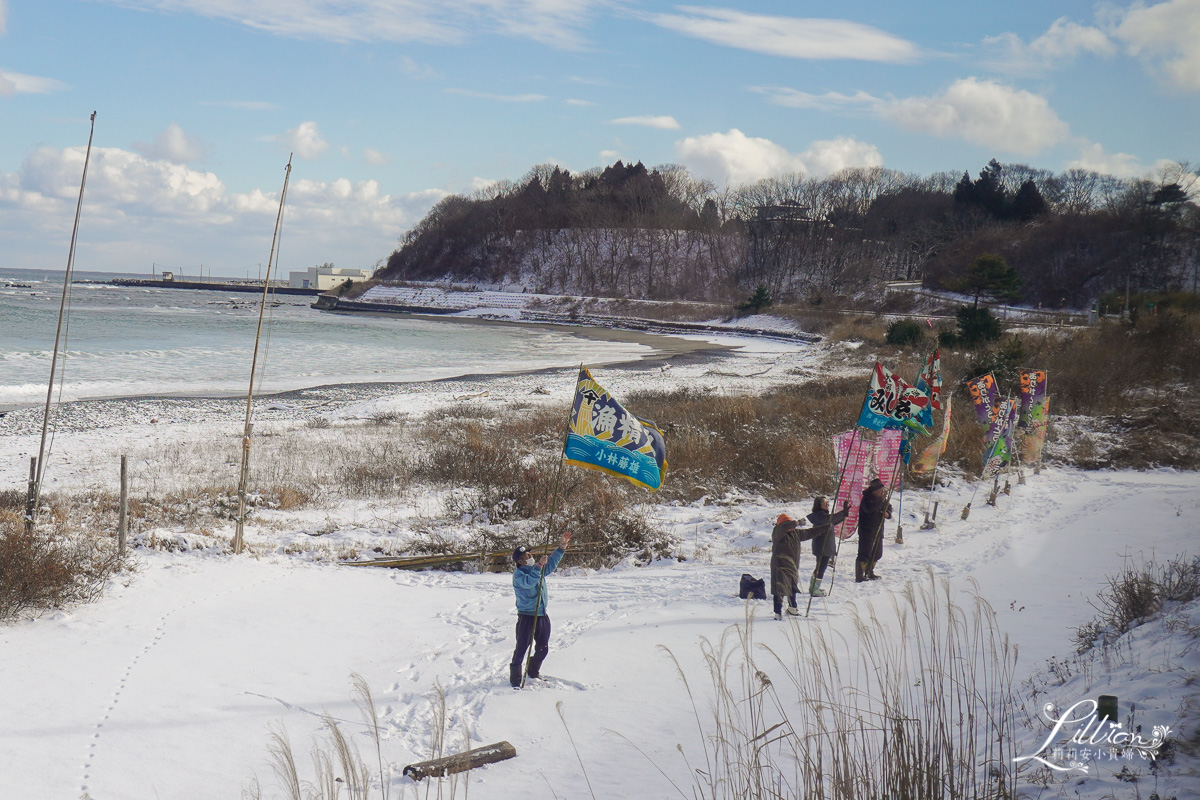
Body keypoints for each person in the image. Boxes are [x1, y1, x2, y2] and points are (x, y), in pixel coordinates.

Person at [509, 530, 572, 688]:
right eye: (526, 556)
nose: (530, 556)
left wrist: (562, 546)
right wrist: (538, 566)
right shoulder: (519, 575)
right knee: (521, 648)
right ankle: (515, 680)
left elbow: (550, 565)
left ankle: (533, 671)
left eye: (530, 554)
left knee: (543, 648)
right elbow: (529, 582)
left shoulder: (537, 569)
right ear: (521, 562)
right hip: (526, 617)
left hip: (542, 614)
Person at [770, 513, 814, 619]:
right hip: (779, 566)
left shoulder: (795, 533)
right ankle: (777, 612)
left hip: (792, 566)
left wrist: (827, 527)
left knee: (792, 586)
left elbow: (810, 532)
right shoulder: (777, 531)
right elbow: (784, 526)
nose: (790, 526)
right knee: (779, 588)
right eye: (788, 524)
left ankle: (792, 608)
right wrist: (797, 522)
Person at [805, 496, 850, 596]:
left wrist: (843, 514)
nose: (827, 505)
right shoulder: (820, 516)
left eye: (827, 503)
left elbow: (833, 520)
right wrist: (843, 513)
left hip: (824, 546)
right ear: (819, 505)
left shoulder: (821, 515)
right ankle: (814, 589)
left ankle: (813, 587)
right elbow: (830, 519)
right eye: (825, 503)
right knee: (821, 567)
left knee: (820, 566)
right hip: (822, 546)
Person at [856, 478, 892, 582]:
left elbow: (888, 507)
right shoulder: (867, 498)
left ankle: (869, 572)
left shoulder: (881, 498)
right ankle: (859, 575)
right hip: (867, 531)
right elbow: (869, 509)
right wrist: (880, 500)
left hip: (878, 530)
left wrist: (888, 514)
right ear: (874, 491)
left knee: (877, 553)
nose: (882, 492)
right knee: (864, 553)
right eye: (880, 490)